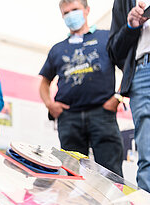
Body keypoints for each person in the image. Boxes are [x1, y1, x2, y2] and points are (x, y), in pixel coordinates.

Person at [39, 0, 124, 176]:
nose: (71, 15)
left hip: (102, 114)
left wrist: (118, 98)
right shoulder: (57, 49)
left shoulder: (106, 37)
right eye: (66, 12)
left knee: (110, 173)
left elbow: (127, 68)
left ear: (87, 10)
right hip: (69, 118)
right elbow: (44, 81)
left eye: (75, 10)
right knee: (71, 173)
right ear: (62, 16)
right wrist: (50, 104)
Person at [107, 0, 150, 191]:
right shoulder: (124, 2)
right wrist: (130, 26)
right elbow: (114, 51)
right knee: (148, 155)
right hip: (142, 70)